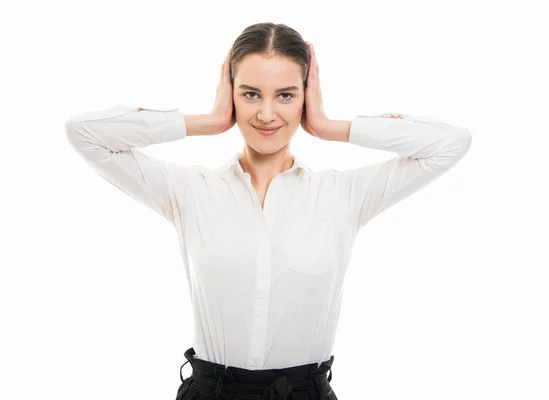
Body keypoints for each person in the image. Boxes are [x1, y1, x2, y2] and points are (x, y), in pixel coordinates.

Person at [65, 22, 471, 400]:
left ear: (306, 98)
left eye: (286, 95)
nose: (266, 114)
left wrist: (330, 126)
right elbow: (84, 134)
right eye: (250, 94)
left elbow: (451, 144)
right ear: (231, 94)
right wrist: (209, 120)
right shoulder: (189, 192)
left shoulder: (343, 194)